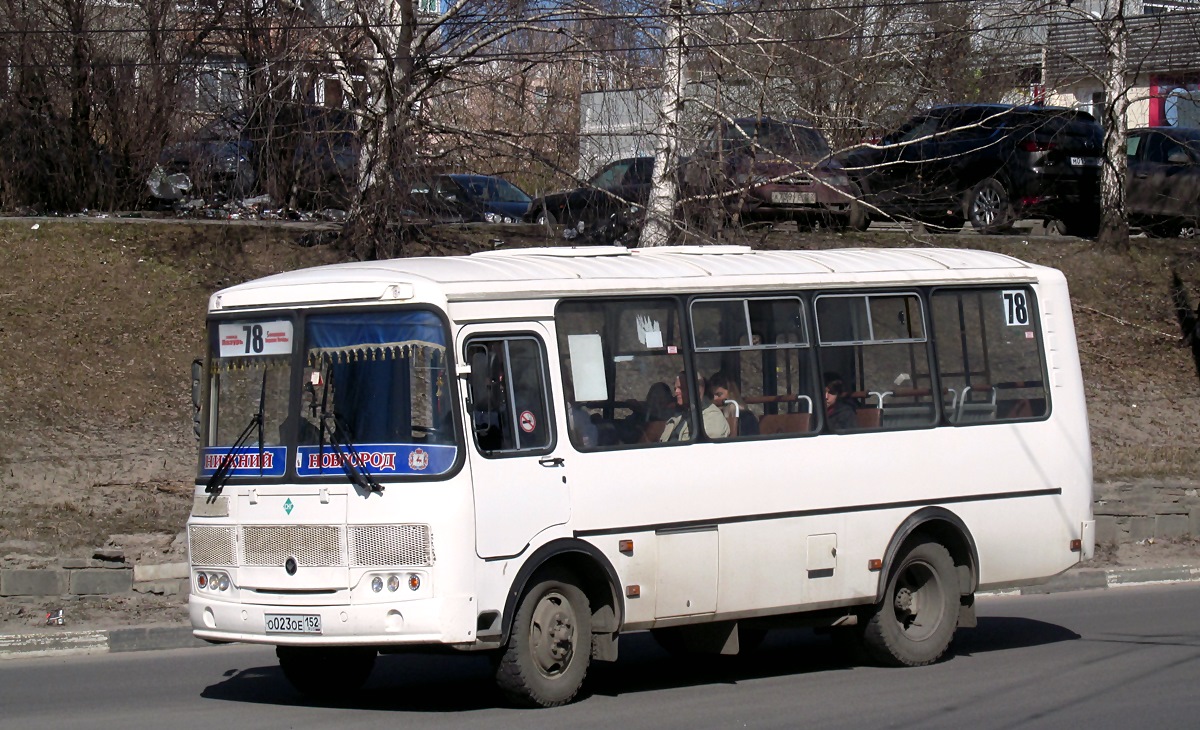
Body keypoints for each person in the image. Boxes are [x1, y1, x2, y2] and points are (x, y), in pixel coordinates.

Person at [661, 371, 730, 441]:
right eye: (675, 389)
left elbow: (702, 448)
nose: (676, 392)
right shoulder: (679, 414)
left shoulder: (712, 418)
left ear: (696, 390)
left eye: (681, 388)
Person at [709, 371, 759, 436]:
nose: (715, 398)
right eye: (711, 395)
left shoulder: (746, 417)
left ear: (731, 392)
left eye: (719, 394)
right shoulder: (711, 414)